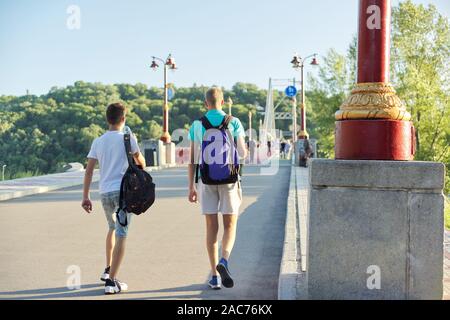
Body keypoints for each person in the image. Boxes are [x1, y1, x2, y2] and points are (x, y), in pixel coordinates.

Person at [82, 102, 146, 295]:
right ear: (124, 118)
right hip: (123, 193)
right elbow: (141, 162)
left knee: (112, 228)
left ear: (107, 119)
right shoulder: (128, 138)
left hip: (104, 194)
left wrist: (86, 196)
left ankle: (108, 268)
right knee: (122, 234)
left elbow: (89, 171)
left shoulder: (98, 141)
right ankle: (111, 282)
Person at [187, 87, 247, 290]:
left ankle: (214, 276)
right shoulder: (234, 122)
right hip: (230, 180)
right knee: (230, 225)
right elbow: (242, 153)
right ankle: (224, 260)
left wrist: (191, 187)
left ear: (206, 104)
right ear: (222, 102)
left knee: (211, 228)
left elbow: (193, 159)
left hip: (206, 180)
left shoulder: (197, 124)